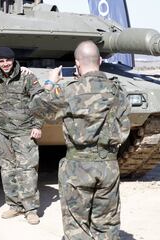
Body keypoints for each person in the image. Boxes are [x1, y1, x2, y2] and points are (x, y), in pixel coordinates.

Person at [29, 40, 131, 239]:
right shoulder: (118, 90)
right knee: (107, 227)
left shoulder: (69, 90)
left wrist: (50, 82)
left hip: (78, 167)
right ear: (100, 60)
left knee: (77, 228)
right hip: (108, 166)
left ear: (77, 63)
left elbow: (36, 107)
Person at [0, 47, 43, 225]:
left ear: (13, 60)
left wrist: (37, 125)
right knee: (7, 169)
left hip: (24, 131)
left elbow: (39, 101)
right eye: (1, 61)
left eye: (8, 60)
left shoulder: (27, 76)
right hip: (4, 133)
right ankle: (14, 205)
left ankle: (30, 209)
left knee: (27, 170)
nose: (5, 64)